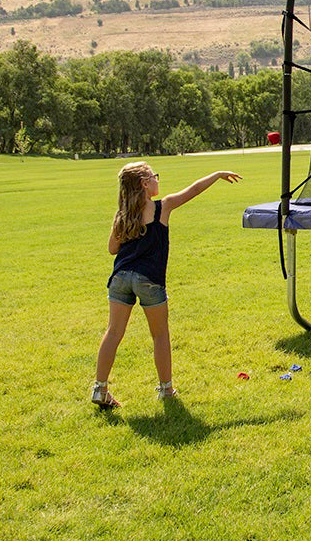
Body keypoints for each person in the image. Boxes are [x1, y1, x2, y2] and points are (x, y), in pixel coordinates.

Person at [91, 162, 242, 409]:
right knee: (160, 334)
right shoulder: (163, 207)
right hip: (148, 279)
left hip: (120, 278)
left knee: (113, 332)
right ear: (144, 183)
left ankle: (100, 389)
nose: (157, 180)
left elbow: (112, 249)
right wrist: (216, 174)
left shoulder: (122, 214)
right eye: (154, 176)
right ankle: (166, 390)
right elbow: (193, 190)